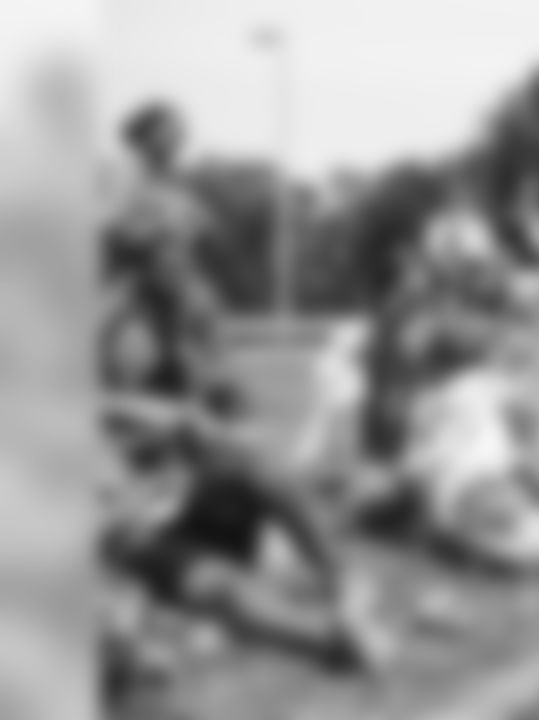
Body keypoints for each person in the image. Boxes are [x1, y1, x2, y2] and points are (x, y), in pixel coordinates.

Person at [99, 102, 384, 682]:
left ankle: (342, 595)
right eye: (169, 250)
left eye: (187, 251)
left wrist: (206, 411)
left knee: (250, 460)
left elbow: (218, 397)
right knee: (199, 585)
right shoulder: (104, 318)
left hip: (162, 484)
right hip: (115, 499)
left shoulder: (187, 312)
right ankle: (321, 638)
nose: (186, 262)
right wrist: (166, 420)